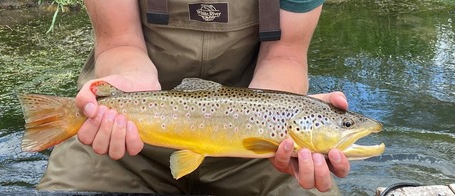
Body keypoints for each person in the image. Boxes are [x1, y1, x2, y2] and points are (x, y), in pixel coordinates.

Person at [38, 0, 351, 195]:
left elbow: (285, 56)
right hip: (131, 144)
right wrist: (125, 88)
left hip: (259, 150)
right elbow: (119, 43)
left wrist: (284, 112)